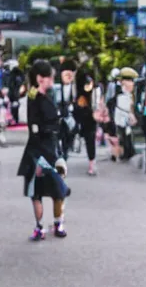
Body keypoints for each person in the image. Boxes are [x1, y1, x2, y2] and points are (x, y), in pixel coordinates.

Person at [17, 60, 71, 241]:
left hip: (42, 149)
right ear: (41, 78)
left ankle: (47, 225)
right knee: (53, 189)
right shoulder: (39, 99)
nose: (52, 80)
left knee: (45, 191)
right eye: (50, 77)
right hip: (46, 150)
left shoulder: (38, 97)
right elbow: (42, 128)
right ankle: (50, 224)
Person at [75, 65, 98, 176]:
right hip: (82, 114)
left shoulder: (88, 85)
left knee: (90, 139)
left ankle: (92, 163)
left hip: (87, 115)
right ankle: (91, 163)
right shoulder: (81, 84)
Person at [54, 60, 78, 160]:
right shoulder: (56, 88)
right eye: (66, 74)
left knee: (68, 137)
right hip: (58, 116)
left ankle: (65, 152)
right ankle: (60, 153)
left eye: (70, 74)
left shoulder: (75, 88)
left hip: (70, 117)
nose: (68, 77)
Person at [114, 67, 139, 161]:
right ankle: (128, 152)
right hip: (123, 113)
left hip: (123, 113)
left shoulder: (121, 87)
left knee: (124, 134)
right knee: (125, 134)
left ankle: (127, 152)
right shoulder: (127, 87)